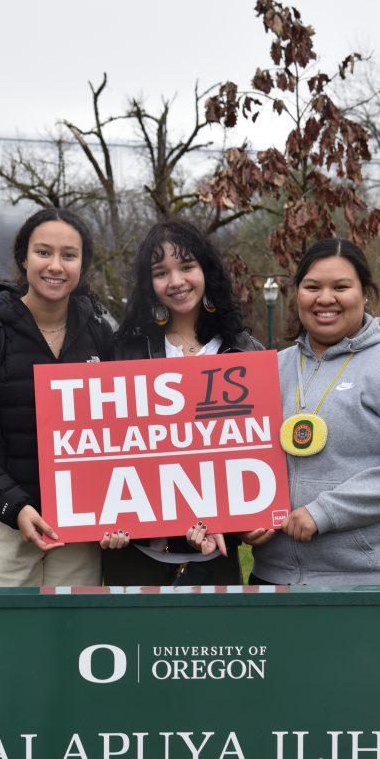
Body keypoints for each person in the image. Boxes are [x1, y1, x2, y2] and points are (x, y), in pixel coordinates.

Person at [0, 207, 125, 588]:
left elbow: (125, 433)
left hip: (79, 528)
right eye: (44, 252)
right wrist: (14, 506)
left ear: (82, 265)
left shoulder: (103, 335)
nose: (55, 266)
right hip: (1, 526)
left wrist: (122, 511)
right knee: (1, 642)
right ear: (24, 258)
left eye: (68, 256)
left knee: (73, 641)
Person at [246, 237, 380, 586]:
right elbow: (242, 457)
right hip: (273, 579)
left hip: (369, 582)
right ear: (297, 295)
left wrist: (324, 512)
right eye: (312, 287)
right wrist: (245, 518)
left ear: (365, 293)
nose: (325, 298)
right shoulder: (272, 369)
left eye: (341, 287)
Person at [103, 218, 263, 587]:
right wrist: (103, 515)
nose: (176, 281)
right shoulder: (124, 351)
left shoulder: (245, 352)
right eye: (161, 272)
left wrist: (235, 519)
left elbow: (255, 455)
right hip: (135, 556)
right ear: (149, 285)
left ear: (206, 271)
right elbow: (108, 452)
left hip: (215, 557)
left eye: (187, 267)